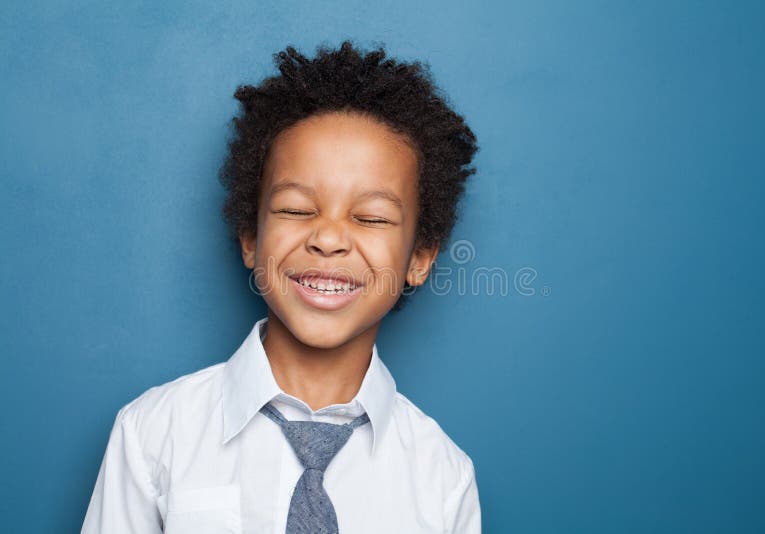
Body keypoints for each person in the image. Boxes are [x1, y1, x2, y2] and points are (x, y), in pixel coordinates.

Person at [80, 39, 480, 534]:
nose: (329, 238)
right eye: (295, 209)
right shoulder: (152, 436)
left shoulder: (443, 477)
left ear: (420, 258)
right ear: (251, 237)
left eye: (371, 217)